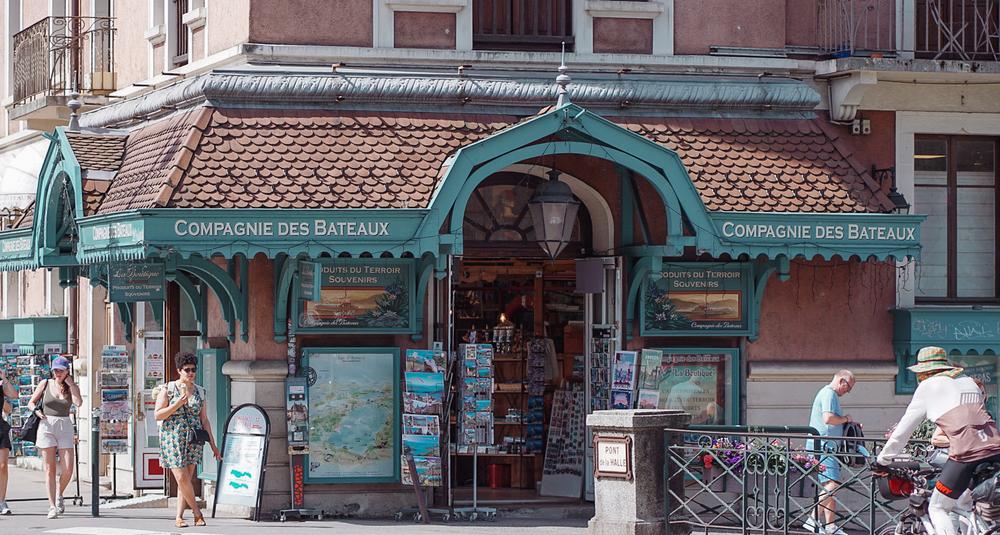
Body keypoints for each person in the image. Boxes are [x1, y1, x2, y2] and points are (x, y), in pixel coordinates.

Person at [877, 347, 1000, 535]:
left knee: (937, 507)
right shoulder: (968, 382)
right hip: (994, 447)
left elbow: (903, 431)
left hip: (966, 453)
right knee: (964, 502)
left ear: (924, 372)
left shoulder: (928, 387)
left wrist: (882, 461)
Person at [155, 352, 221, 529]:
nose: (191, 373)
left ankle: (178, 517)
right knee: (182, 477)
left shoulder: (200, 391)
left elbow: (204, 419)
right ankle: (197, 513)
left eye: (193, 370)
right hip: (172, 437)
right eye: (187, 370)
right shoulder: (168, 389)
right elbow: (158, 414)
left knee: (186, 480)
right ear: (179, 371)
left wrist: (213, 445)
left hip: (193, 438)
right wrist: (176, 404)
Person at [26, 356, 82, 519]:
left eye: (61, 370)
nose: (57, 373)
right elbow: (31, 402)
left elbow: (78, 403)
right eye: (55, 370)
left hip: (65, 425)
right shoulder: (45, 383)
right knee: (49, 469)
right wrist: (36, 411)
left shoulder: (71, 387)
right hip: (46, 425)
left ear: (67, 371)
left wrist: (71, 384)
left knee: (68, 469)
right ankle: (52, 506)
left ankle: (59, 493)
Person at [805, 369, 855, 535]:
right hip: (824, 446)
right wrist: (846, 419)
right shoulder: (829, 394)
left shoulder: (827, 393)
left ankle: (831, 527)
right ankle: (812, 519)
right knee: (833, 484)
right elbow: (828, 419)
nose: (846, 392)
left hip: (825, 445)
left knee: (829, 486)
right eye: (847, 388)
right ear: (842, 381)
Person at [0, 367, 15, 515]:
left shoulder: (1, 385)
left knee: (3, 466)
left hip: (0, 427)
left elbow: (14, 395)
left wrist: (4, 379)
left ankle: (2, 501)